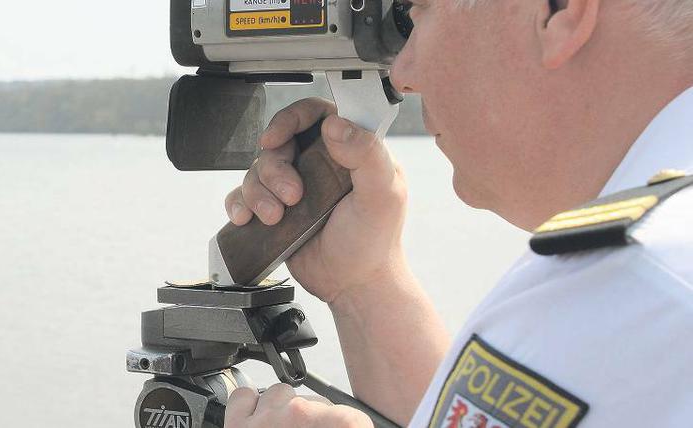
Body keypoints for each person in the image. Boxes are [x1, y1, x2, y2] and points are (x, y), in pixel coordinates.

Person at [221, 0, 693, 426]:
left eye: (419, 11)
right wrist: (364, 285)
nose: (403, 73)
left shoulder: (637, 284)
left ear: (559, 10)